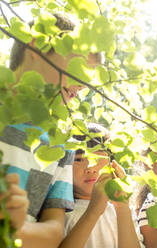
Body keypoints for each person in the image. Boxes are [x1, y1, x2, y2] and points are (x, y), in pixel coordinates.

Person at [0, 14, 100, 248]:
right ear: (38, 45)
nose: (83, 85)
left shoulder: (59, 144)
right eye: (79, 67)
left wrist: (17, 228)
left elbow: (54, 233)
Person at [60, 124, 143, 248]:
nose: (90, 168)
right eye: (79, 159)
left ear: (111, 162)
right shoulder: (60, 212)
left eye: (97, 158)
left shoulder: (122, 209)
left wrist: (122, 208)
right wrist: (93, 211)